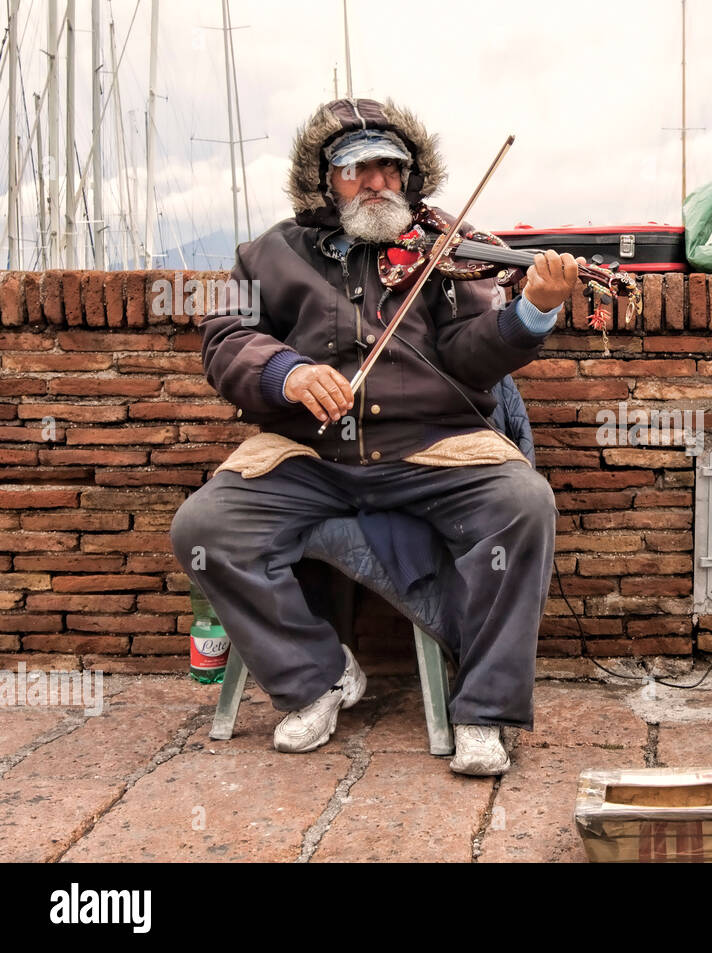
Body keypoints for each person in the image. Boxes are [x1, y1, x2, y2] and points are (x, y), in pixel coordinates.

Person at [170, 97, 581, 775]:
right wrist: (286, 371)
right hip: (311, 453)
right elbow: (225, 341)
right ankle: (317, 674)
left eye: (391, 167)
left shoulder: (444, 244)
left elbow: (471, 354)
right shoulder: (270, 253)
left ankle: (484, 713)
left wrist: (532, 312)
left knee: (523, 503)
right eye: (358, 169)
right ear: (323, 180)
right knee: (204, 529)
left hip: (433, 448)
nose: (378, 182)